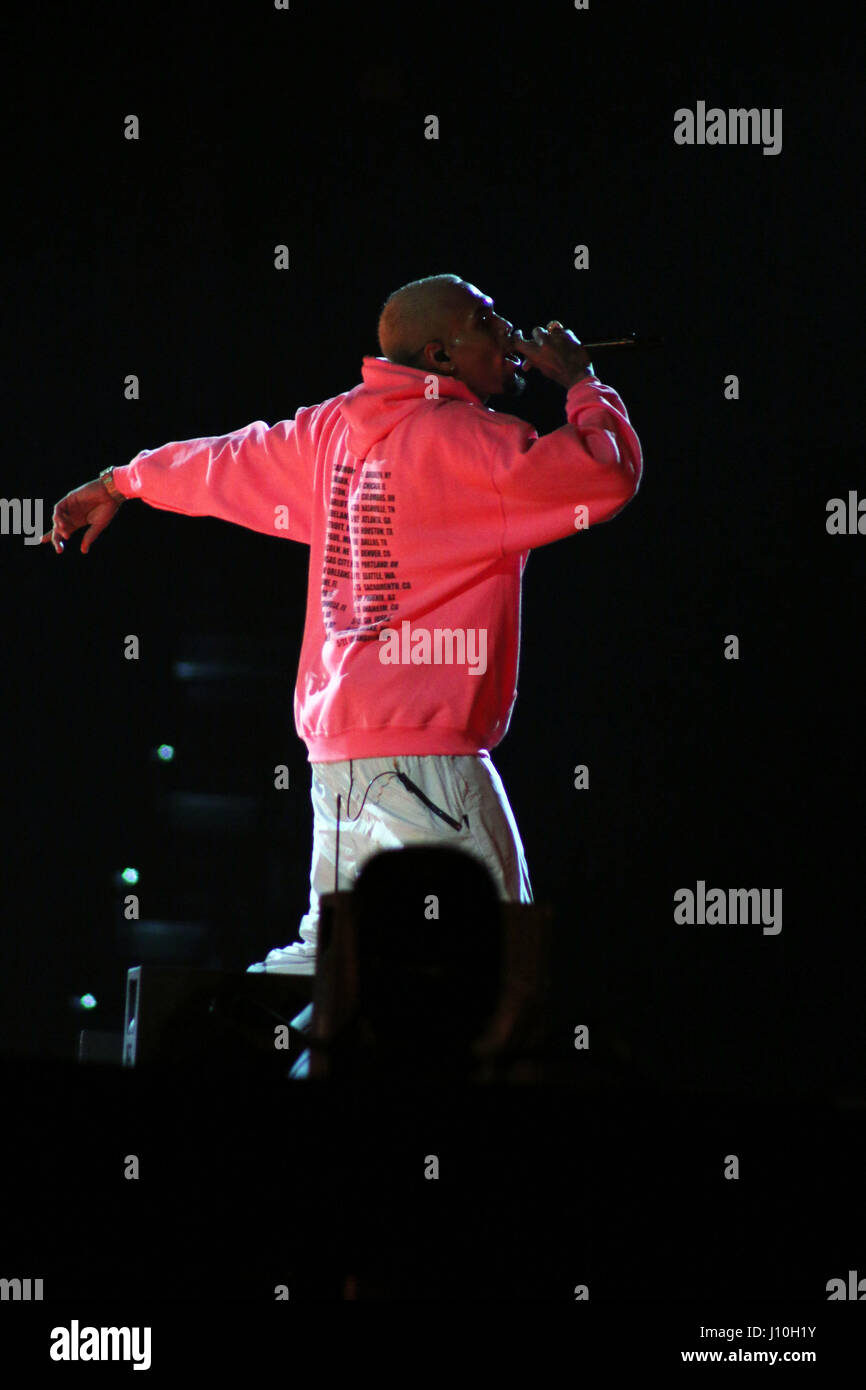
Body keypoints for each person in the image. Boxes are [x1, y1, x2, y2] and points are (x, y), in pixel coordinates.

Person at [41, 273, 643, 982]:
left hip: (337, 766)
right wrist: (582, 382)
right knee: (504, 968)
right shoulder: (481, 445)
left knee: (336, 968)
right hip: (429, 761)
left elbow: (222, 464)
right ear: (440, 356)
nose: (510, 332)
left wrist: (121, 480)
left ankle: (209, 1043)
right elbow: (607, 474)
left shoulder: (328, 433)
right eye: (486, 322)